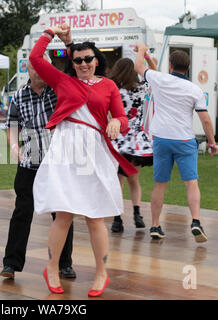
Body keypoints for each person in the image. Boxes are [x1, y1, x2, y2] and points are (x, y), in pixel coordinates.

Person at [30, 24, 137, 297]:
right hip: (67, 150)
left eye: (88, 58)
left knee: (94, 216)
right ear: (72, 63)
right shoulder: (64, 81)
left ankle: (101, 273)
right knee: (63, 214)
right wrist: (49, 33)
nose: (83, 63)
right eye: (77, 60)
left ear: (97, 59)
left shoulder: (110, 85)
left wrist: (117, 123)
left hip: (96, 152)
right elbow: (35, 59)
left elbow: (123, 118)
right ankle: (52, 267)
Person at [0, 54, 77, 280]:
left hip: (57, 162)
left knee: (62, 213)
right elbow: (11, 125)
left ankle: (64, 264)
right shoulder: (19, 97)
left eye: (44, 68)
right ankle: (11, 264)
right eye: (35, 68)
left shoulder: (58, 91)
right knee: (22, 212)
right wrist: (14, 146)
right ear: (28, 69)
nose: (39, 72)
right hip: (30, 162)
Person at [134, 43, 218, 242]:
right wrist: (213, 143)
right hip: (184, 139)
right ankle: (196, 222)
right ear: (187, 67)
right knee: (191, 183)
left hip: (162, 139)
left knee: (160, 184)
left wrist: (141, 51)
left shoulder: (160, 80)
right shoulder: (194, 89)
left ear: (170, 65)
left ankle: (155, 225)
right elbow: (205, 120)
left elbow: (139, 68)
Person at [109, 57, 156, 232]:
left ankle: (117, 218)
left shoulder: (114, 90)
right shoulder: (142, 88)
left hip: (119, 139)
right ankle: (137, 214)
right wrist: (148, 59)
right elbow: (155, 73)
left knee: (118, 180)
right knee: (134, 180)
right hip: (137, 141)